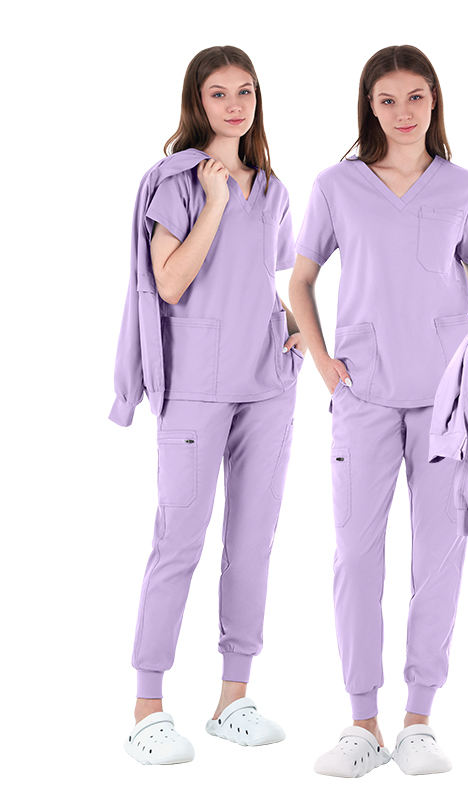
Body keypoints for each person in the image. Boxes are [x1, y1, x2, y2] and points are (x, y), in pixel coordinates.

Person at [289, 44, 468, 777]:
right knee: (356, 554)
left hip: (448, 398)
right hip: (364, 394)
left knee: (439, 554)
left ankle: (418, 720)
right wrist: (324, 364)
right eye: (388, 100)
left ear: (434, 101)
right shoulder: (336, 186)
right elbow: (301, 281)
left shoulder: (464, 186)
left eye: (416, 97)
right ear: (369, 107)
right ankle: (361, 721)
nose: (403, 112)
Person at [110, 45, 304, 765]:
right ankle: (148, 708)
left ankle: (233, 699)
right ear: (197, 101)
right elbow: (169, 281)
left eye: (245, 91)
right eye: (219, 92)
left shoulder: (274, 189)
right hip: (195, 384)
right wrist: (215, 202)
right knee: (179, 543)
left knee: (252, 543)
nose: (234, 105)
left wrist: (294, 332)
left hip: (267, 385)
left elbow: (260, 280)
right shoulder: (176, 182)